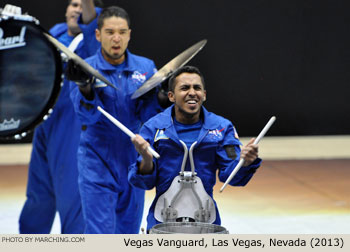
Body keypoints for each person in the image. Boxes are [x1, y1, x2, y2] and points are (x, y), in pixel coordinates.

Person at [128, 65, 262, 232]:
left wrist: (246, 162)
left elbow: (231, 177)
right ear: (171, 96)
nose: (192, 92)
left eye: (197, 88)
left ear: (204, 95)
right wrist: (147, 159)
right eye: (184, 88)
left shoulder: (221, 128)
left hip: (206, 221)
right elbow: (144, 182)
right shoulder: (153, 128)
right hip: (162, 221)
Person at [67, 6, 163, 234]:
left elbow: (150, 117)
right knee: (100, 234)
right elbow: (85, 117)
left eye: (122, 32)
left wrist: (161, 97)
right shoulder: (83, 68)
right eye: (109, 32)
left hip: (133, 159)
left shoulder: (146, 68)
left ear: (130, 34)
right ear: (98, 35)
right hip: (96, 160)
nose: (116, 38)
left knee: (128, 234)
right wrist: (86, 89)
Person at [19, 0, 103, 234]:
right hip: (45, 121)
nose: (76, 9)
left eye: (82, 5)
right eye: (73, 4)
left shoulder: (93, 40)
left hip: (72, 125)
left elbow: (91, 19)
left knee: (71, 196)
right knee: (38, 194)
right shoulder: (53, 33)